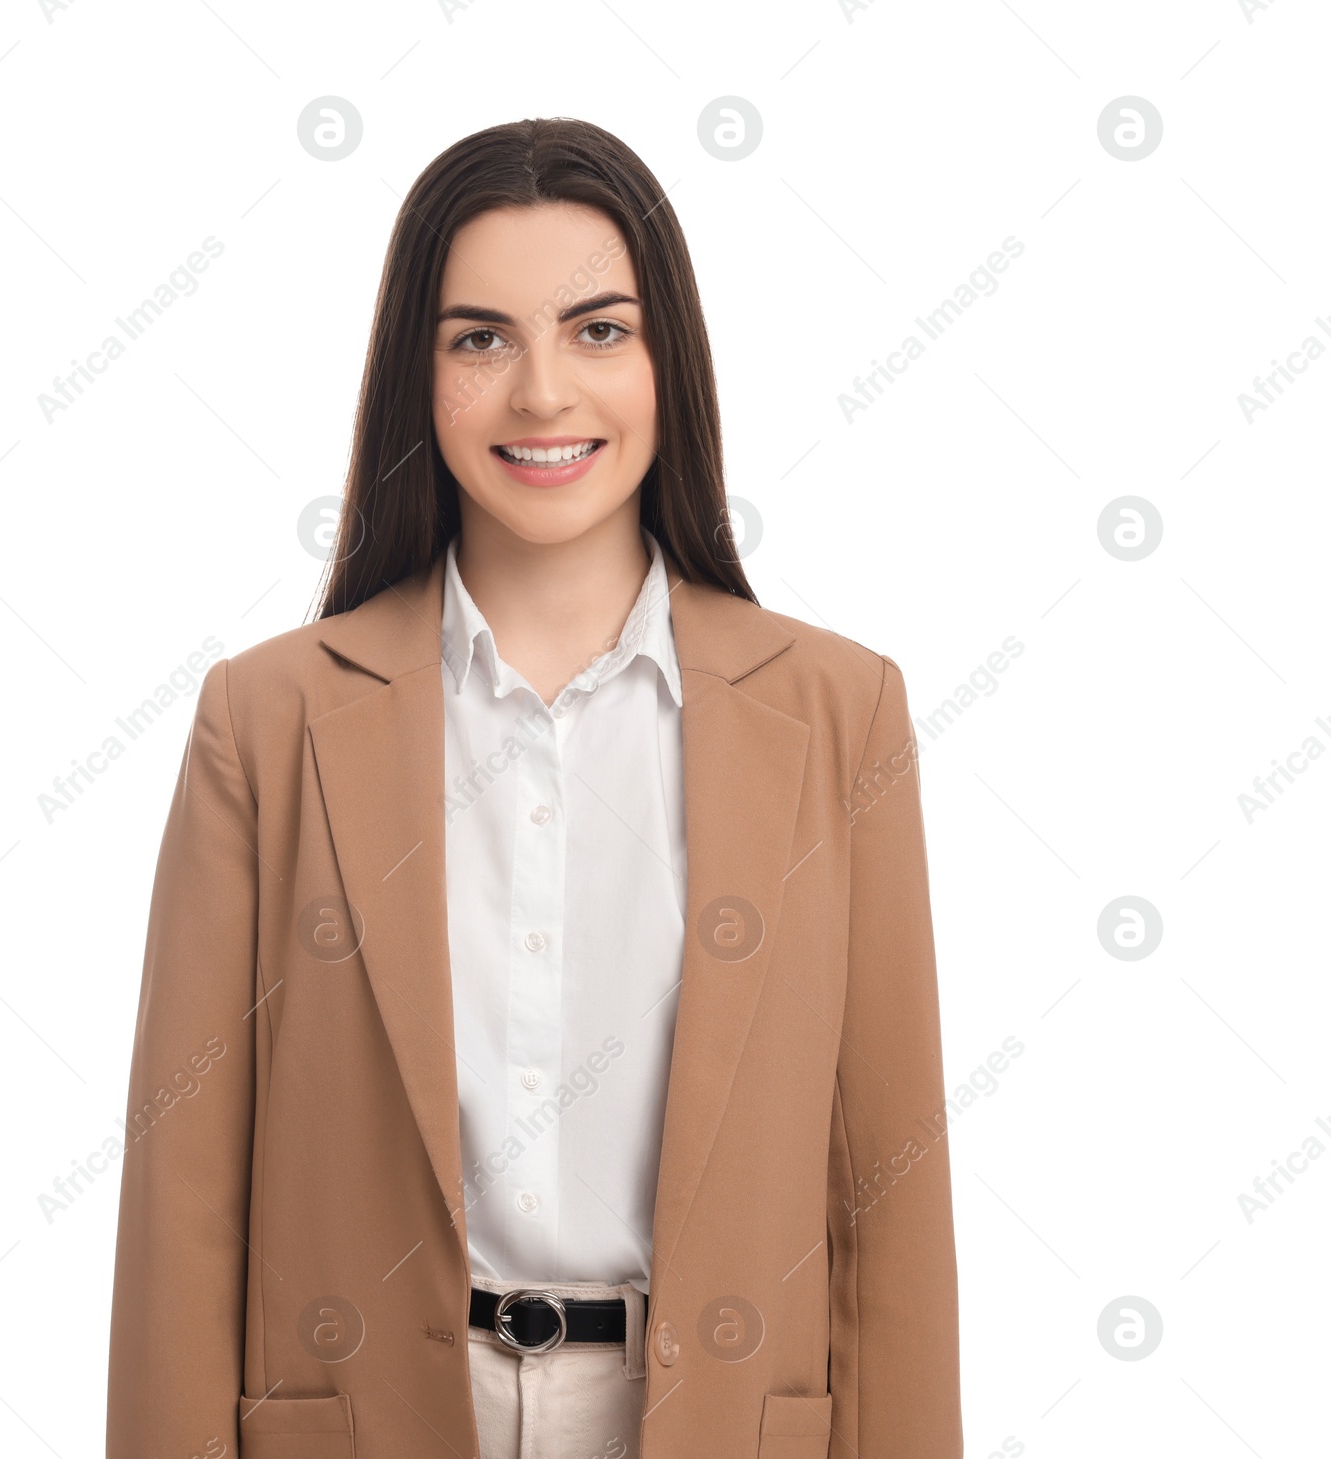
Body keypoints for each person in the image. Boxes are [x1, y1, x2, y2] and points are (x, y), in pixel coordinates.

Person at [107, 117, 961, 1459]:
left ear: (668, 359)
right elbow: (184, 1194)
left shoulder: (838, 715)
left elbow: (888, 1201)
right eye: (479, 338)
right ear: (418, 376)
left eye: (599, 330)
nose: (544, 394)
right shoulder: (267, 722)